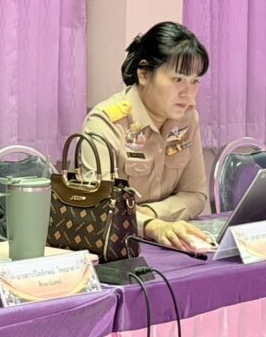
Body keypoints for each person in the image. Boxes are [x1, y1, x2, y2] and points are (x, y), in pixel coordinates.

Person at [83, 21, 212, 251]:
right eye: (177, 79)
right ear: (144, 74)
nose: (188, 93)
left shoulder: (187, 118)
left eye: (194, 81)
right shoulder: (105, 122)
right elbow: (101, 208)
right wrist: (152, 226)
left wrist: (153, 214)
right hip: (116, 248)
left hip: (167, 241)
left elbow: (195, 194)